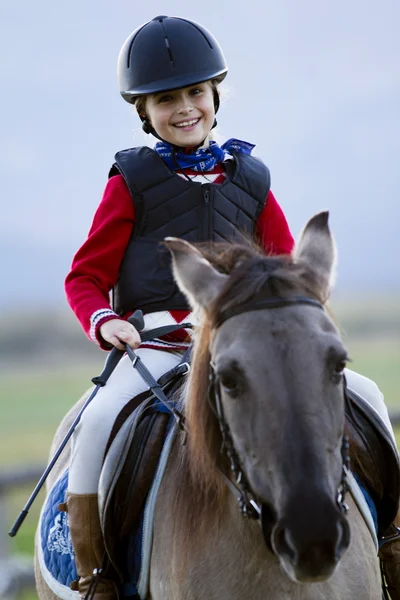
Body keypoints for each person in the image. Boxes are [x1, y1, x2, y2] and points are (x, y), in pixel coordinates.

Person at [63, 15, 399, 600]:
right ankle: (97, 578)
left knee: (367, 396)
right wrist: (105, 319)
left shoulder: (252, 177)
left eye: (196, 93)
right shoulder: (130, 182)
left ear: (215, 95)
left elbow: (290, 269)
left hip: (250, 345)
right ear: (145, 112)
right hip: (157, 348)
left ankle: (391, 544)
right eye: (166, 99)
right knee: (92, 426)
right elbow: (85, 275)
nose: (185, 108)